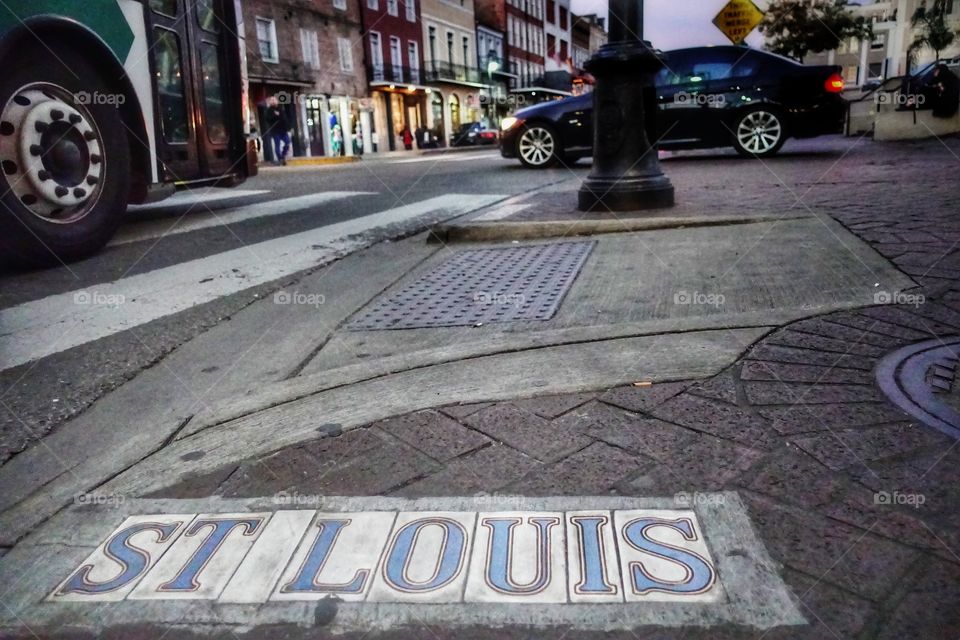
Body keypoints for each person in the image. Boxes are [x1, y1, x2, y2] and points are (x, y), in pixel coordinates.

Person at [264, 97, 291, 165]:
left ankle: (283, 154)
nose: (273, 101)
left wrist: (287, 127)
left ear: (277, 101)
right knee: (277, 145)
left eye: (274, 100)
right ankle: (280, 158)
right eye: (272, 100)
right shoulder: (269, 110)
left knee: (287, 142)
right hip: (275, 131)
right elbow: (267, 119)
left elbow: (284, 118)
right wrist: (275, 115)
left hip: (283, 130)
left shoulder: (280, 109)